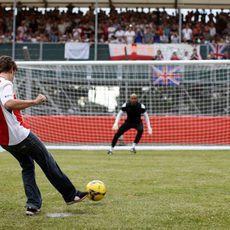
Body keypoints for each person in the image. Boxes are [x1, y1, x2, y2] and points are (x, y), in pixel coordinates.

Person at [0, 56, 88, 216]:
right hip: (20, 136)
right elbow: (9, 104)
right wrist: (35, 101)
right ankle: (71, 195)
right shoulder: (5, 83)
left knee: (27, 166)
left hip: (5, 141)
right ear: (12, 70)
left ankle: (33, 205)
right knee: (47, 161)